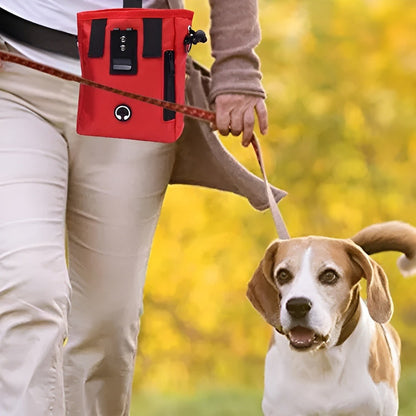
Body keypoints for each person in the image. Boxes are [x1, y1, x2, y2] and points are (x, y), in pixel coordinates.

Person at [0, 0, 285, 415]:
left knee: (108, 325)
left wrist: (238, 68)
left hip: (135, 76)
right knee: (26, 287)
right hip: (14, 72)